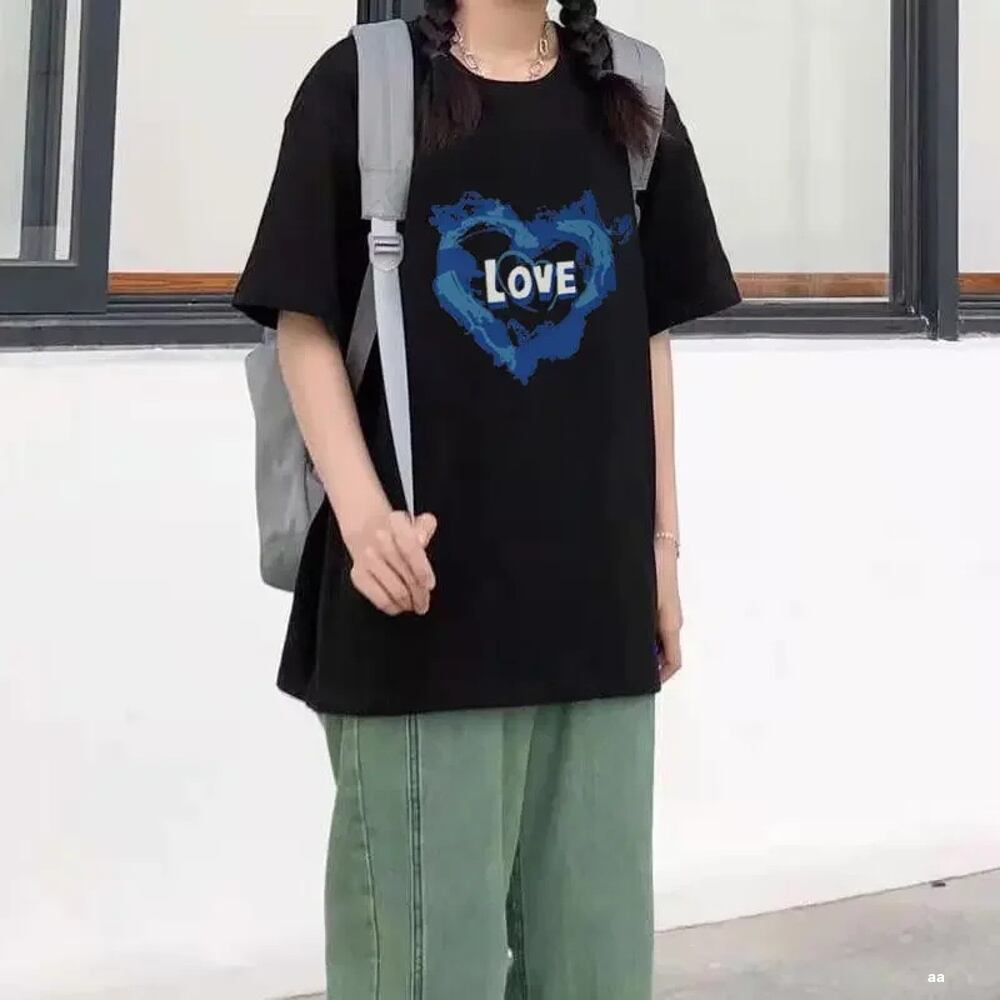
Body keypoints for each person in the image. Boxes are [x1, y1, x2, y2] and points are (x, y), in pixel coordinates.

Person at [233, 0, 740, 996]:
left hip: (592, 616)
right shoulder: (366, 86)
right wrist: (364, 516)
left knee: (595, 967)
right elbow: (303, 320)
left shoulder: (630, 93)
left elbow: (646, 336)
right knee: (429, 968)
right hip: (419, 613)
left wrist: (662, 552)